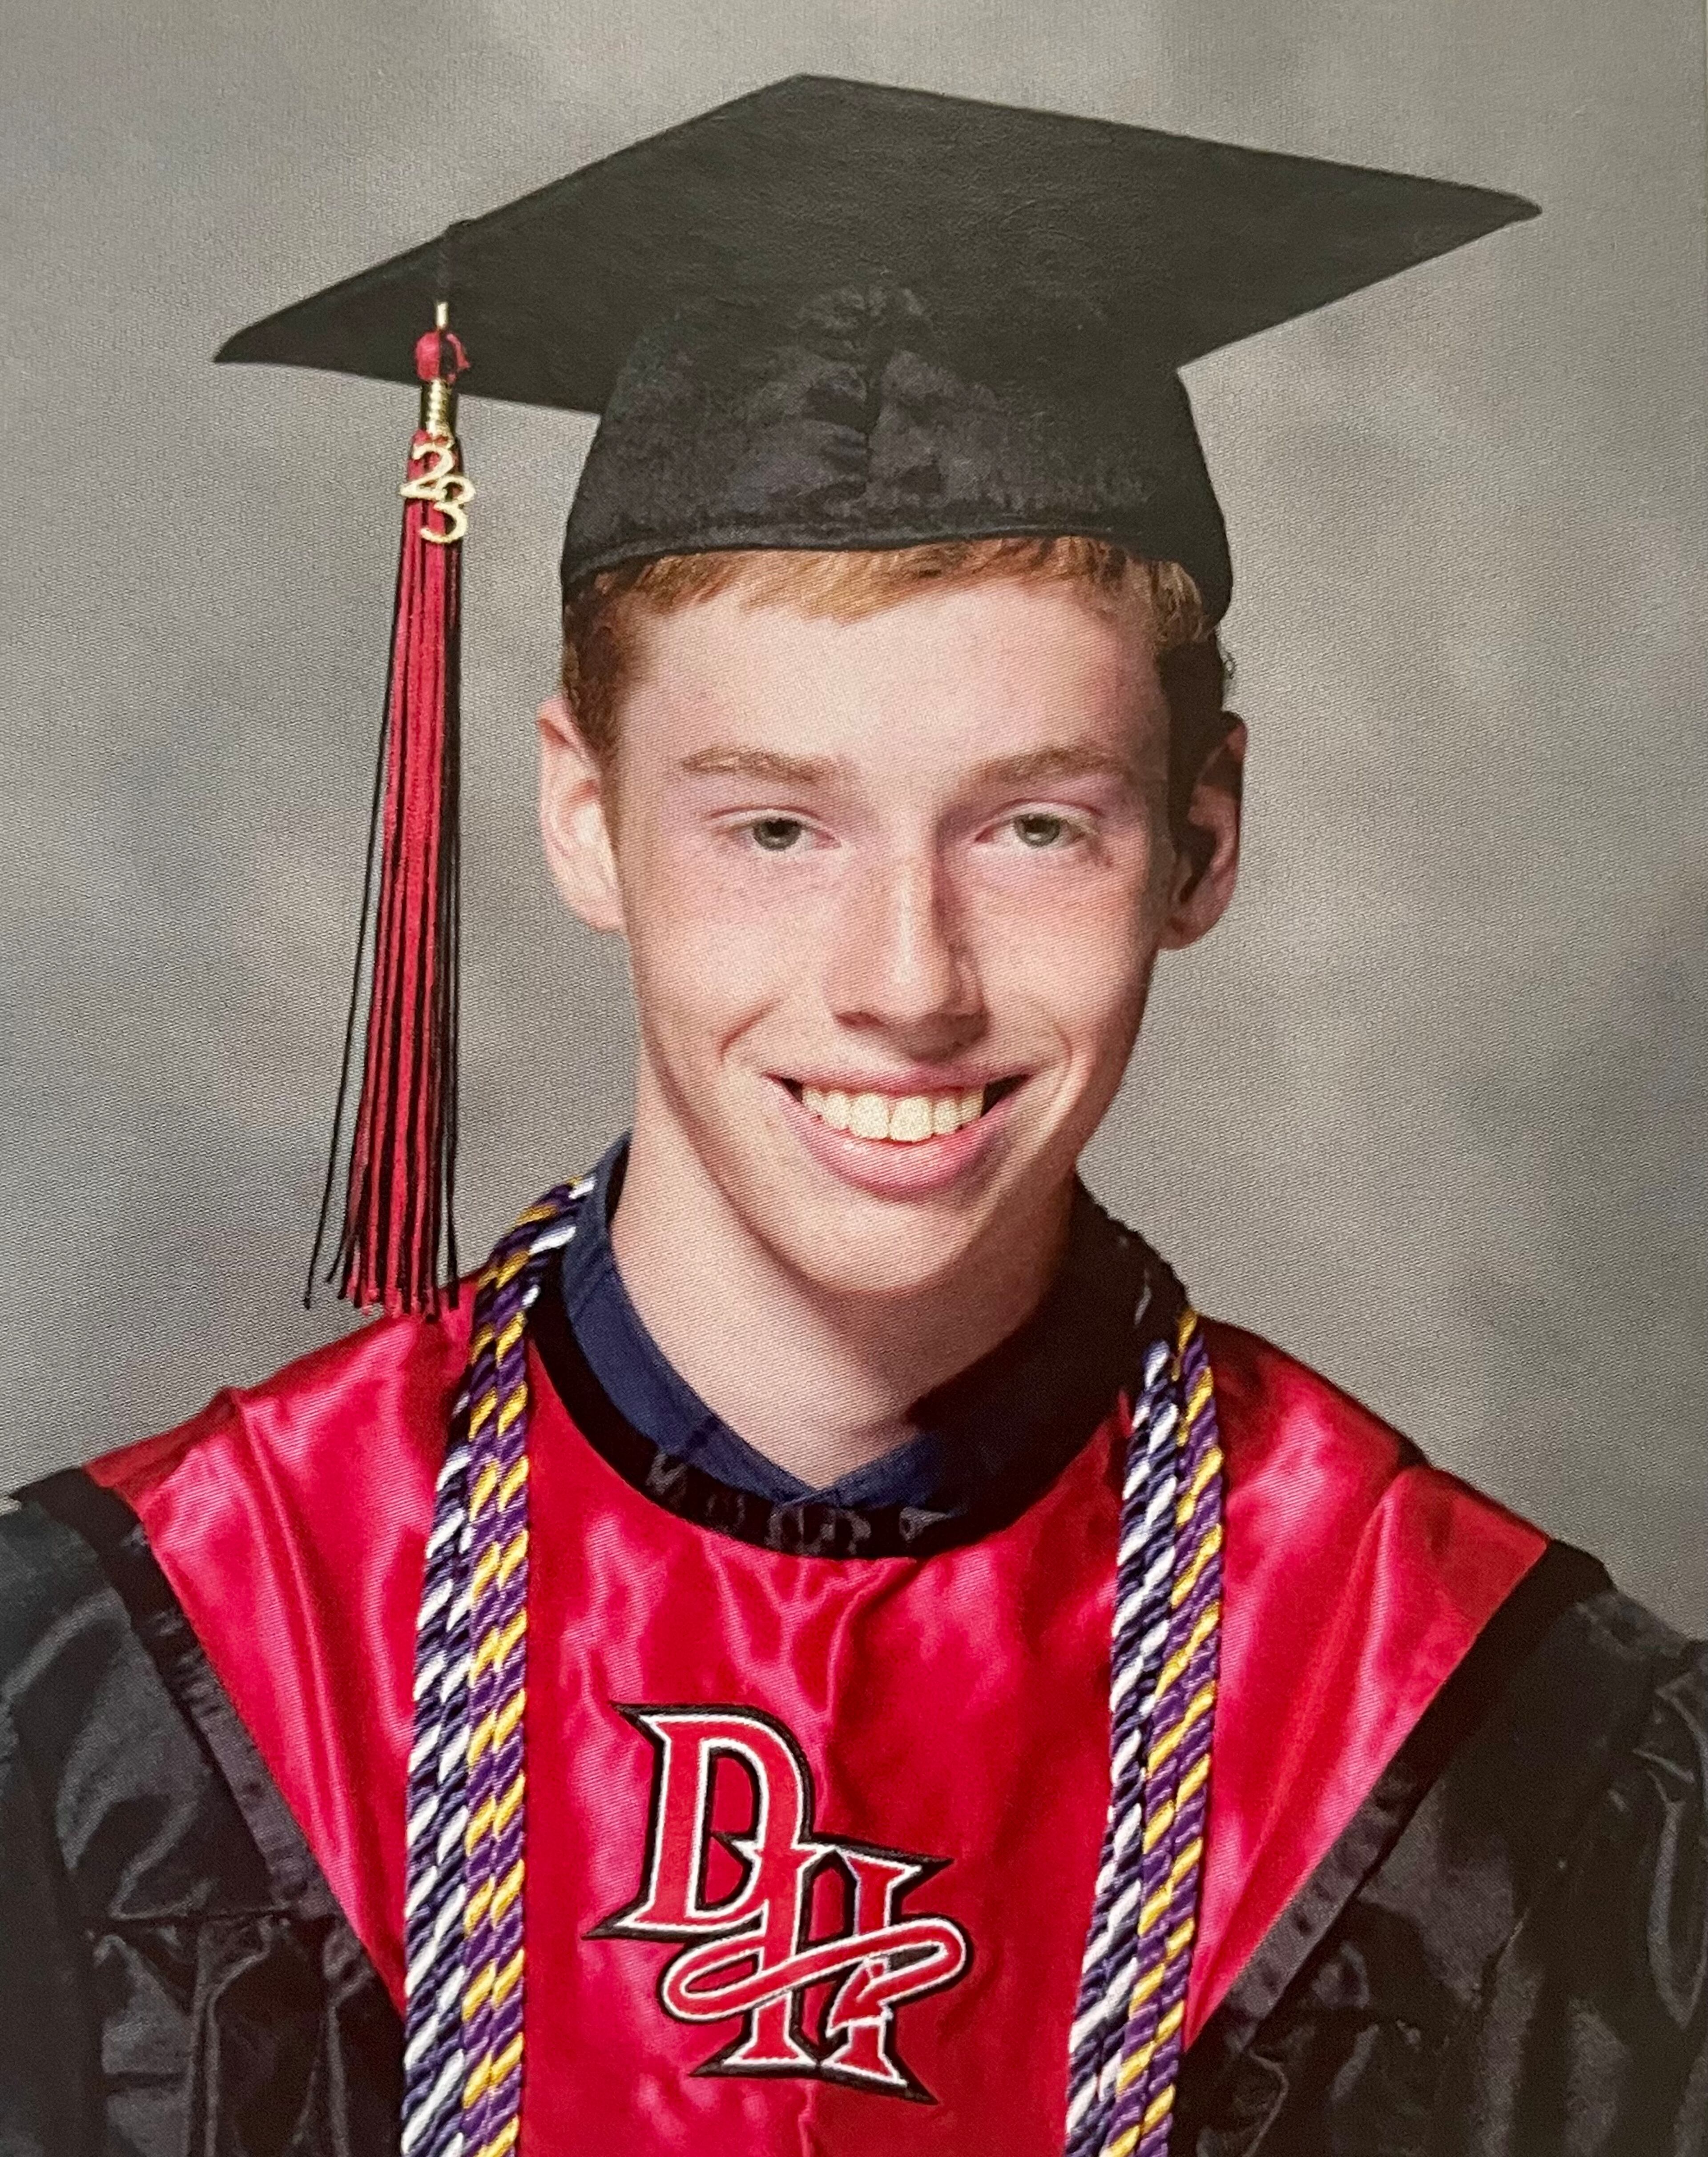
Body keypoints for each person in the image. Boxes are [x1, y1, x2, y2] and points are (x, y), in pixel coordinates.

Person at [1, 75, 1702, 2157]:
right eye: (779, 825)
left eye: (1037, 825)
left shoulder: (1502, 1752)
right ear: (581, 815)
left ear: (1204, 835)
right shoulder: (130, 1697)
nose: (908, 977)